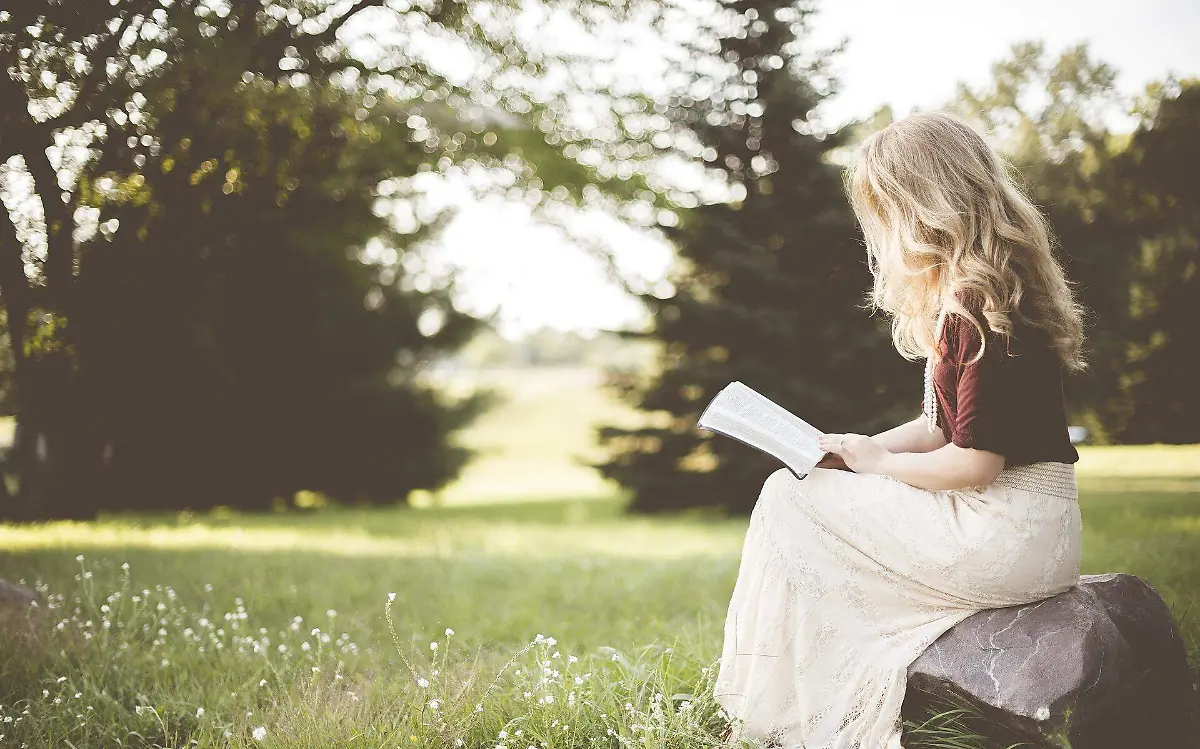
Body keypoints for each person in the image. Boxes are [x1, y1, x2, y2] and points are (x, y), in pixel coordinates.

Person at [714, 111, 1086, 749]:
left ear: (924, 206)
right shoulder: (989, 294)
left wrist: (875, 467)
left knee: (787, 497)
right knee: (798, 488)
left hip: (1006, 532)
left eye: (885, 209)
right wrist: (857, 448)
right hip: (1027, 529)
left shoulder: (979, 306)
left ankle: (788, 713)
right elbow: (938, 427)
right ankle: (791, 705)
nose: (880, 228)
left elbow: (972, 465)